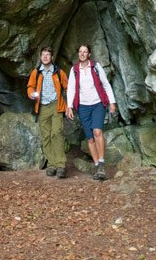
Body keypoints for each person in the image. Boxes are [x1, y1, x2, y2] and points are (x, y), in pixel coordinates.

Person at [66, 44, 116, 180]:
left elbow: (106, 84)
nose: (82, 54)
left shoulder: (96, 67)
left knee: (97, 131)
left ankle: (101, 163)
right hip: (83, 106)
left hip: (98, 104)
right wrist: (69, 106)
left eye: (85, 52)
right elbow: (71, 89)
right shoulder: (74, 70)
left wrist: (112, 102)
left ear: (89, 54)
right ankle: (96, 166)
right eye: (80, 52)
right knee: (90, 138)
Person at [27, 46, 69, 178]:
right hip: (42, 107)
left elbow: (68, 87)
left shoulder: (58, 72)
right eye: (43, 54)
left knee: (56, 133)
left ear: (52, 57)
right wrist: (31, 94)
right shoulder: (36, 72)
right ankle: (52, 165)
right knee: (46, 136)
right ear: (40, 57)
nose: (45, 57)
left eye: (48, 55)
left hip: (57, 106)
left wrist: (69, 105)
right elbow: (30, 86)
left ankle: (60, 165)